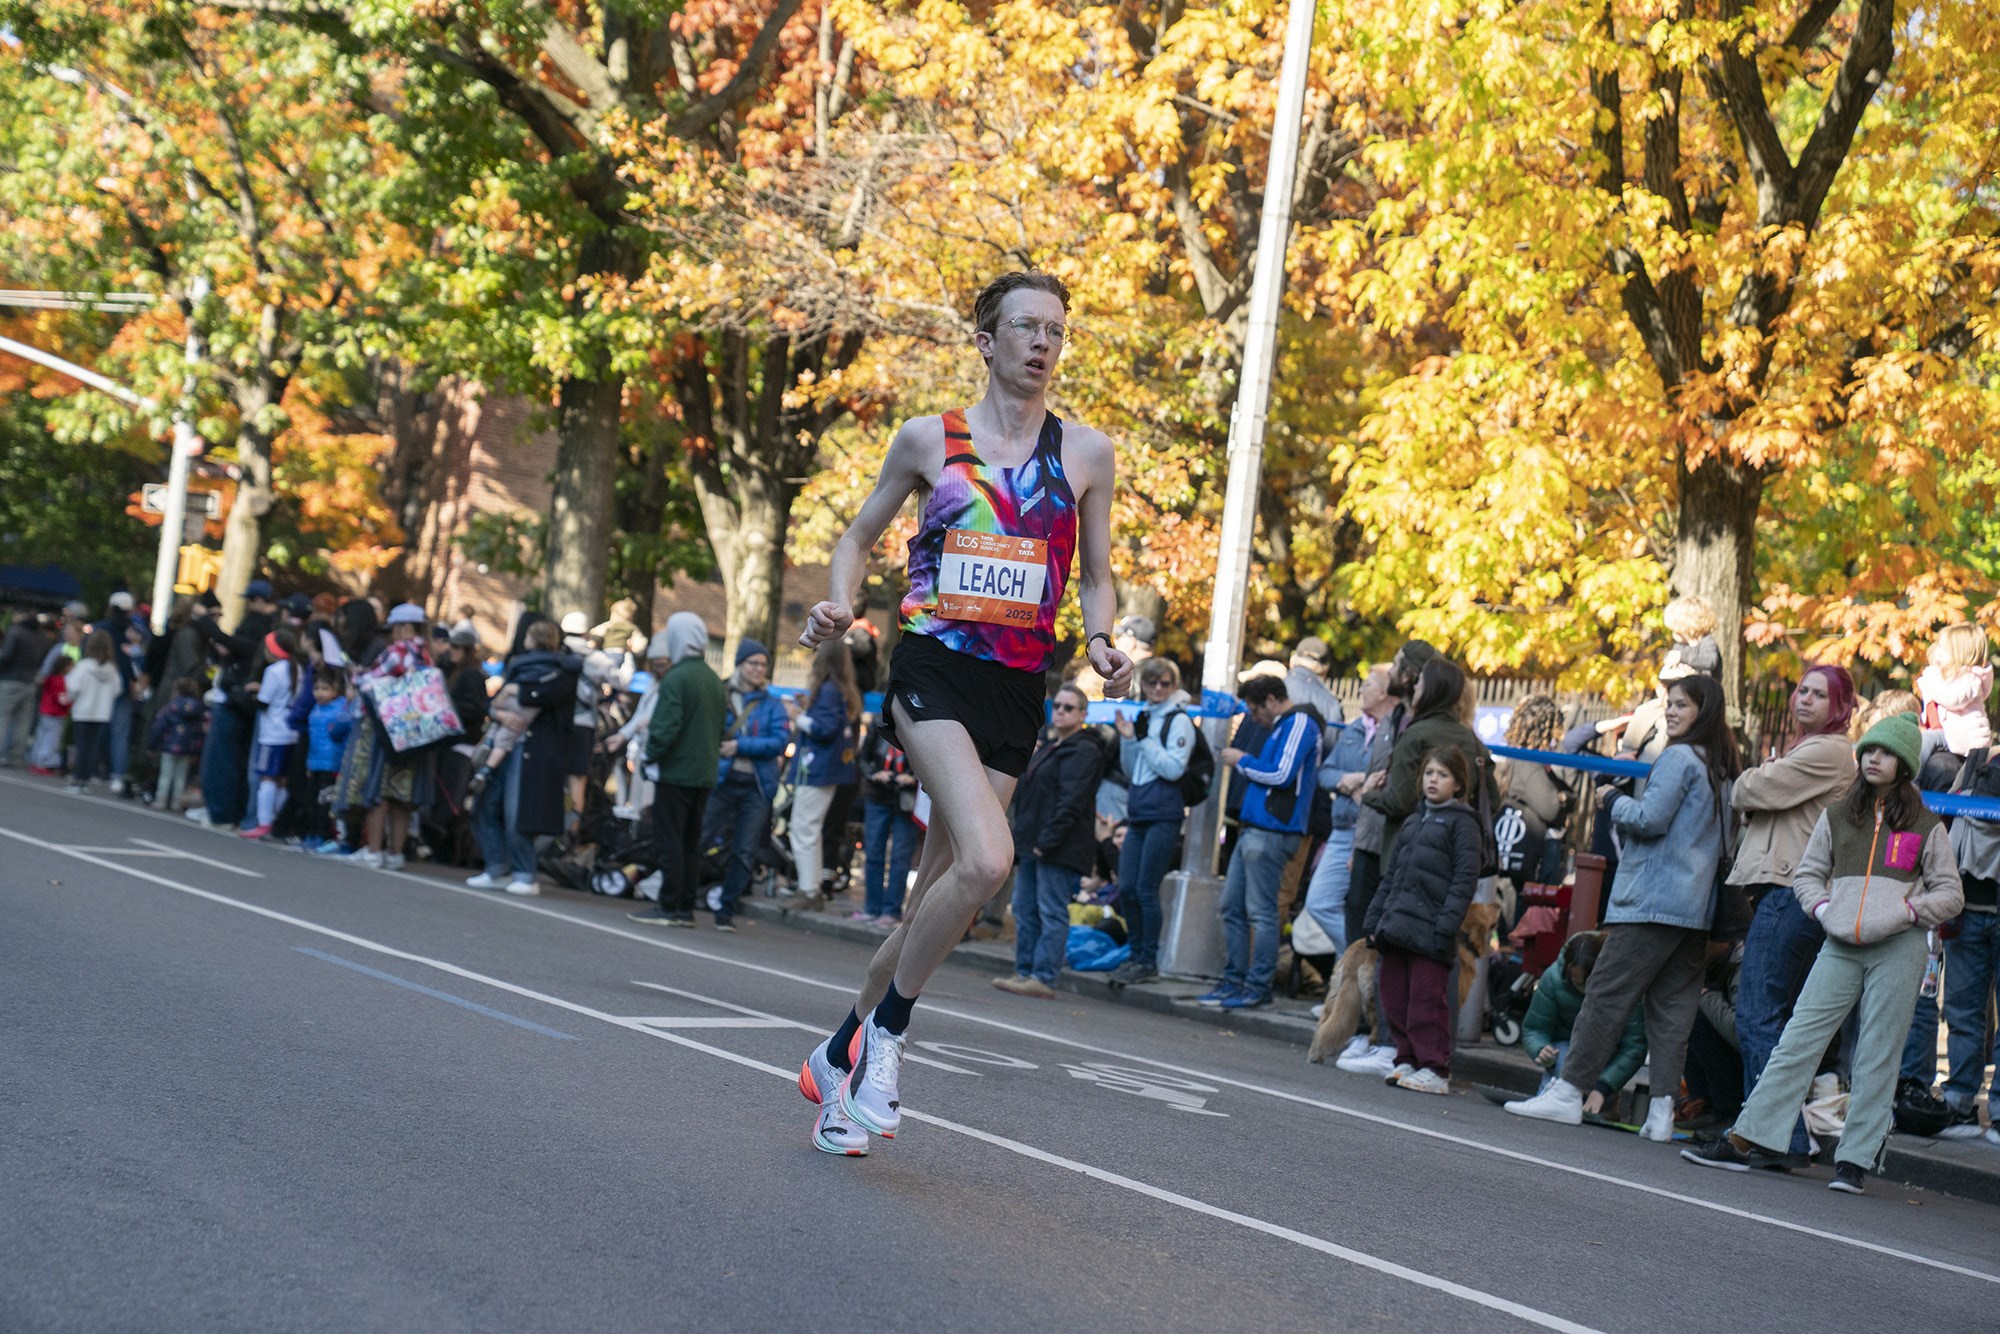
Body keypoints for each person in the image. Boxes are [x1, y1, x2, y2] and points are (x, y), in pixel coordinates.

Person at [792, 270, 1130, 1158]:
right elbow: (857, 537)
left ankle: (837, 1058)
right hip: (933, 668)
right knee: (988, 859)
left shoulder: (1087, 454)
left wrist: (1101, 640)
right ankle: (887, 1041)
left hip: (1016, 687)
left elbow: (1097, 576)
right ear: (987, 342)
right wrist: (839, 602)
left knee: (930, 907)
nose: (1043, 342)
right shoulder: (928, 439)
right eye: (1026, 326)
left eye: (1056, 330)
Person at [1683, 712, 1964, 1193]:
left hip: (1899, 947)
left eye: (1886, 754)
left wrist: (1907, 912)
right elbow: (1808, 875)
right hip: (1839, 943)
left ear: (1904, 765)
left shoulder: (1926, 825)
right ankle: (1747, 1137)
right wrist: (1824, 909)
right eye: (1869, 751)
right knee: (1797, 1041)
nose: (1873, 759)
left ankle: (1854, 1160)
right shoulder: (1837, 816)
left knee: (1878, 1052)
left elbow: (1950, 894)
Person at [1506, 674, 1741, 1142]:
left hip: (1650, 902)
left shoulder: (1678, 758)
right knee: (1673, 1010)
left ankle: (1568, 1090)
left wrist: (1612, 799)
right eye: (1670, 703)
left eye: (1682, 704)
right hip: (1695, 911)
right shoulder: (1722, 769)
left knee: (1605, 994)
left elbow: (1649, 819)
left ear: (1704, 712)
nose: (1671, 711)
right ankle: (1661, 1112)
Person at [1727, 665, 1858, 1160]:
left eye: (1819, 694)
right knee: (1772, 1016)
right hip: (1787, 891)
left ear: (1839, 706)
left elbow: (1748, 791)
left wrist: (1759, 776)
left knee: (1757, 1012)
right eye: (1802, 690)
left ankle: (1772, 1135)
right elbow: (1760, 800)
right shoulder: (1809, 748)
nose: (1804, 699)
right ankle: (1774, 1134)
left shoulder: (1829, 749)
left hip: (1791, 892)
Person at [1317, 641, 1439, 1072]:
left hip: (1396, 844)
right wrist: (1358, 840)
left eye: (1399, 665)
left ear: (1413, 674)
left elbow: (1397, 792)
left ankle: (1386, 1038)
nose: (1391, 673)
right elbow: (1369, 781)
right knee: (1360, 937)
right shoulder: (1393, 719)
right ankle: (1360, 1031)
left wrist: (1372, 795)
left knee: (1385, 943)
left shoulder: (1422, 725)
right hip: (1367, 838)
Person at [1363, 746, 1483, 1093]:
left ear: (1458, 784)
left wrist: (1445, 926)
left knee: (1425, 1003)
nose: (1433, 780)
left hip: (1431, 931)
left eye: (1443, 775)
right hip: (1396, 927)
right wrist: (1374, 920)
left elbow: (1464, 881)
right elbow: (1392, 876)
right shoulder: (1414, 821)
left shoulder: (1463, 823)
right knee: (1394, 998)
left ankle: (1435, 1068)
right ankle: (1407, 1058)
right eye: (1429, 773)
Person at [1200, 674, 1322, 1010]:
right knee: (1233, 906)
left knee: (1261, 911)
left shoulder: (1299, 723)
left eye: (1255, 710)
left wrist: (1243, 760)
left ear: (1271, 700)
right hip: (1257, 828)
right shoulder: (1285, 725)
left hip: (1273, 829)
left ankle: (1256, 984)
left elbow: (1281, 774)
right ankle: (1235, 980)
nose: (1254, 719)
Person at [996, 684, 1106, 998]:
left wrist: (1047, 840)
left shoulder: (1085, 750)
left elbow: (1072, 801)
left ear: (1083, 714)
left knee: (1051, 910)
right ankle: (1025, 971)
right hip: (1033, 842)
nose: (1060, 712)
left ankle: (1043, 977)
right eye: (1057, 706)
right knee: (1024, 908)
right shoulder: (1049, 747)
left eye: (1068, 708)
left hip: (1058, 846)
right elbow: (1028, 796)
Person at [626, 612, 726, 927]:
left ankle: (667, 905)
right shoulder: (712, 678)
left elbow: (665, 727)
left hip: (675, 771)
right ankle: (684, 908)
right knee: (690, 842)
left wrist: (649, 757)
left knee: (668, 838)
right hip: (704, 772)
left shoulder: (677, 677)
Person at [468, 619, 579, 895]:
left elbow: (542, 696)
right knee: (485, 803)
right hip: (508, 744)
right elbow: (495, 703)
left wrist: (511, 692)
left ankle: (524, 873)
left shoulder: (564, 670)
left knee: (517, 811)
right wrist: (499, 712)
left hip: (531, 750)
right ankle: (497, 867)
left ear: (531, 638)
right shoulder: (521, 665)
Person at [1109, 656, 1198, 985]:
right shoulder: (1144, 715)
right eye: (1152, 682)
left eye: (1165, 683)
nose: (1158, 688)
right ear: (1143, 685)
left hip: (1163, 814)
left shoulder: (1180, 720)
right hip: (1139, 811)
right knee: (1127, 887)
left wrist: (1143, 739)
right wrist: (1129, 739)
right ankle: (1135, 955)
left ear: (1174, 686)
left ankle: (1147, 959)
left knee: (1146, 889)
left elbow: (1174, 769)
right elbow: (1131, 770)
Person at [1930, 739, 2000, 1140]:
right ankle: (1959, 1103)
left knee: (1964, 1013)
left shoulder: (1977, 763)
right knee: (1961, 1012)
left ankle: (1988, 1109)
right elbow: (1946, 818)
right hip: (1965, 911)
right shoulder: (1975, 760)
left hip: (1971, 909)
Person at [1300, 665, 1391, 962]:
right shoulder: (1353, 729)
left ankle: (1357, 965)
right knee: (1318, 902)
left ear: (1384, 692)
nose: (1361, 690)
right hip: (1341, 830)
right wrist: (1345, 781)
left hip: (1369, 833)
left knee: (1359, 907)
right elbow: (1324, 773)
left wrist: (1362, 782)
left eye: (1368, 685)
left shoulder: (1394, 733)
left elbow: (1386, 780)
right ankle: (1358, 959)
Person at [700, 639, 790, 923]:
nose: (759, 669)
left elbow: (779, 741)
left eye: (763, 664)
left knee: (745, 851)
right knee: (700, 838)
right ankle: (684, 898)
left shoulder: (772, 704)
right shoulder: (721, 694)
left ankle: (726, 910)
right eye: (753, 663)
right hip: (722, 780)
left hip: (757, 786)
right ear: (740, 664)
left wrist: (740, 746)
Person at [344, 603, 438, 870]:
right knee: (402, 795)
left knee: (379, 790)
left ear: (405, 627)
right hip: (416, 732)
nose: (391, 634)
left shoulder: (400, 651)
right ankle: (395, 854)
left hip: (388, 729)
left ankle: (374, 851)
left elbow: (368, 682)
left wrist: (355, 675)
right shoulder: (426, 654)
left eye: (394, 628)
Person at [1521, 931, 1649, 1108]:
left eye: (1588, 983)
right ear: (1567, 969)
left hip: (1606, 1057)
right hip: (1563, 1051)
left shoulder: (1624, 986)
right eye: (1577, 982)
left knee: (1596, 1089)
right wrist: (1540, 1049)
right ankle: (1550, 1095)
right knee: (1563, 1057)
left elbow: (1634, 1047)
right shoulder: (1553, 978)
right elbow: (1534, 1028)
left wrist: (1603, 1088)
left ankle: (1601, 1100)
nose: (1583, 989)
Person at [190, 579, 277, 829]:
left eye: (249, 601)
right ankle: (221, 809)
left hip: (237, 700)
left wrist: (206, 622)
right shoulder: (265, 626)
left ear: (258, 600)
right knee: (227, 760)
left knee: (224, 759)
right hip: (238, 699)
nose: (247, 606)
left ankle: (223, 812)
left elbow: (238, 645)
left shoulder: (263, 627)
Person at [789, 639, 863, 901]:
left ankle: (809, 891)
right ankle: (812, 888)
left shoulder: (828, 689)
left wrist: (798, 716)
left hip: (817, 769)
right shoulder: (840, 689)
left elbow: (824, 729)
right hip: (828, 769)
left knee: (803, 830)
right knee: (811, 829)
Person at [1492, 694, 1575, 895]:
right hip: (1527, 863)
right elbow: (1550, 808)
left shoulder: (1514, 755)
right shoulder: (1529, 763)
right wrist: (1562, 798)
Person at [857, 718, 920, 925]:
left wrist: (913, 776)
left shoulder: (920, 724)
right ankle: (872, 908)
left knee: (900, 857)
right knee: (873, 852)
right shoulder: (878, 723)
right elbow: (863, 758)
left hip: (906, 798)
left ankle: (891, 910)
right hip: (878, 794)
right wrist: (874, 773)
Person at [241, 628, 302, 839]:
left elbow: (263, 702)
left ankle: (264, 822)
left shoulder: (273, 671)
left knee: (267, 777)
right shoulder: (298, 669)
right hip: (291, 732)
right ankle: (277, 820)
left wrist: (254, 693)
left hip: (272, 733)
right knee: (282, 779)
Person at [1917, 622, 1993, 760]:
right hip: (1953, 736)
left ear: (1960, 654)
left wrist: (1932, 678)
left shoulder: (1971, 679)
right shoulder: (1950, 678)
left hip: (1966, 740)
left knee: (1928, 739)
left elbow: (1950, 699)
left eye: (1943, 649)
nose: (1938, 653)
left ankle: (1915, 772)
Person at [298, 666, 351, 852]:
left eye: (325, 688)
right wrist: (309, 763)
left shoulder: (342, 709)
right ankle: (311, 834)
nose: (319, 693)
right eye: (317, 688)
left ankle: (324, 836)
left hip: (332, 764)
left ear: (336, 690)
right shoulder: (315, 709)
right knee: (312, 801)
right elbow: (312, 740)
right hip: (316, 763)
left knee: (325, 803)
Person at [64, 630, 121, 792]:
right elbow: (117, 690)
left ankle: (76, 779)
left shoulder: (84, 666)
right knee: (91, 748)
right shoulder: (112, 669)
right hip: (101, 713)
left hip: (83, 710)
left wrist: (72, 698)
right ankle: (85, 780)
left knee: (81, 745)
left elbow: (72, 686)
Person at [0, 609, 54, 766]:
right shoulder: (43, 638)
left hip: (11, 679)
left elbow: (7, 656)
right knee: (22, 722)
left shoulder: (16, 632)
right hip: (30, 682)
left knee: (3, 716)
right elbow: (43, 661)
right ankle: (15, 756)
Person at [147, 678, 207, 812]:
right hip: (187, 748)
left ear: (176, 691)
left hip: (169, 745)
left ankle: (161, 799)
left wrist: (152, 746)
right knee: (180, 777)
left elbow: (159, 726)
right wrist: (196, 751)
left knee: (166, 774)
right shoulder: (198, 709)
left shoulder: (170, 707)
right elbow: (199, 732)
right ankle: (176, 802)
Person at [1284, 635, 1344, 729]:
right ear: (1326, 668)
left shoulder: (1274, 688)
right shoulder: (1330, 703)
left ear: (1292, 661)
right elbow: (1333, 736)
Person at [1660, 594, 1722, 681]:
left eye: (1676, 629)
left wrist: (1682, 657)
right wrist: (1668, 659)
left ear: (1689, 625)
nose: (1673, 633)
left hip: (1705, 687)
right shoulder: (1680, 646)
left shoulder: (1707, 642)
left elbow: (1710, 661)